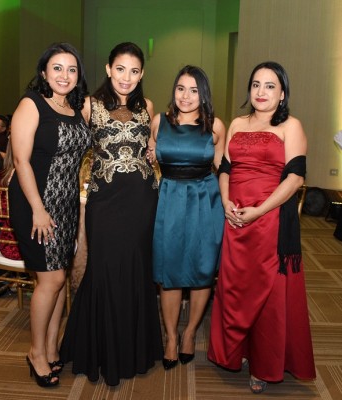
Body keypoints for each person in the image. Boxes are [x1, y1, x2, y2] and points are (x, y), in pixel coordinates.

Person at [207, 61, 316, 394]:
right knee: (233, 287)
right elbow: (224, 168)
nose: (261, 91)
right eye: (256, 84)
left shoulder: (290, 126)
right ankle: (234, 352)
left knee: (265, 294)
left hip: (268, 221)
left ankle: (263, 364)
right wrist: (227, 202)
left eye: (270, 86)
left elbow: (295, 178)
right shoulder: (238, 123)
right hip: (234, 218)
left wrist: (259, 212)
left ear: (282, 93)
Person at [60, 42, 163, 386]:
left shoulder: (147, 106)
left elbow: (151, 149)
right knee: (102, 269)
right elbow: (71, 148)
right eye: (121, 69)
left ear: (142, 74)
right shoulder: (90, 105)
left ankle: (133, 351)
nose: (126, 77)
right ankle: (101, 352)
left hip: (142, 201)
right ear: (108, 69)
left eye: (134, 71)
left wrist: (153, 153)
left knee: (136, 269)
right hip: (104, 201)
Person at [8, 42, 91, 388]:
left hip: (66, 204)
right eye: (57, 68)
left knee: (58, 278)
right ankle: (35, 352)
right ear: (44, 72)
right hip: (35, 203)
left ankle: (52, 347)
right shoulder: (31, 104)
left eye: (71, 69)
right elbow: (20, 161)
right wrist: (39, 210)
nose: (64, 75)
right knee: (52, 280)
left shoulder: (75, 108)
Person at [146, 65, 225, 370]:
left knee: (202, 269)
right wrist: (150, 153)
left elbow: (224, 167)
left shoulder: (216, 126)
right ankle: (170, 336)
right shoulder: (159, 121)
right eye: (181, 88)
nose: (186, 96)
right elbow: (152, 152)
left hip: (205, 202)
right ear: (174, 90)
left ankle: (190, 333)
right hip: (169, 201)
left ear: (203, 94)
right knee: (169, 272)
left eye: (194, 90)